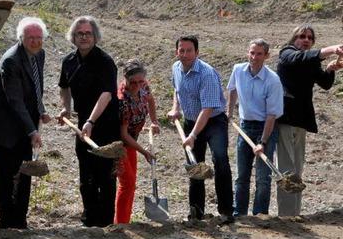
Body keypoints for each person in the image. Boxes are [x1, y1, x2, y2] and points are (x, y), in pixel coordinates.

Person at [58, 15, 119, 227]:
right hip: (83, 125)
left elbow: (107, 94)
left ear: (95, 37)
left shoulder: (105, 62)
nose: (84, 37)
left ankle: (106, 223)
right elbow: (64, 86)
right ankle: (89, 221)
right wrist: (66, 108)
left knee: (105, 175)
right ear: (73, 37)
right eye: (79, 34)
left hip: (105, 125)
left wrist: (91, 121)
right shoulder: (68, 61)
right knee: (86, 176)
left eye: (88, 33)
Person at [276, 24, 343, 216]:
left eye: (310, 38)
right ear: (294, 39)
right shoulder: (287, 53)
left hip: (302, 120)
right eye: (302, 36)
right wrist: (330, 50)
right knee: (287, 168)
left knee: (297, 167)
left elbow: (325, 83)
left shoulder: (310, 60)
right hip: (286, 118)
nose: (306, 40)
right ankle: (287, 215)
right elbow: (300, 58)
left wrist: (330, 69)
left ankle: (294, 213)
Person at [167, 35, 234, 224]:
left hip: (213, 122)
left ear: (197, 52)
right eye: (182, 50)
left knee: (220, 160)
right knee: (195, 166)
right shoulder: (176, 68)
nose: (185, 54)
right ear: (177, 52)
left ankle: (226, 212)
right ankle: (196, 211)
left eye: (189, 50)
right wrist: (175, 108)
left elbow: (208, 108)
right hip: (190, 120)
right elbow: (177, 90)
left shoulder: (207, 73)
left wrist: (193, 135)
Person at [0, 17, 51, 229]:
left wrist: (41, 110)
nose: (35, 41)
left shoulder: (39, 54)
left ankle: (20, 220)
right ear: (21, 38)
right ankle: (6, 222)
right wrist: (32, 130)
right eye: (30, 38)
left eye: (38, 38)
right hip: (5, 125)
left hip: (26, 122)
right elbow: (15, 100)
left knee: (25, 170)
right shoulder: (11, 60)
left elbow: (36, 86)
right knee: (7, 174)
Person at [226, 39, 283, 217]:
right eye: (252, 53)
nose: (254, 57)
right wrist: (229, 113)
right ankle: (239, 213)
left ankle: (260, 214)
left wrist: (263, 142)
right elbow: (232, 89)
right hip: (245, 126)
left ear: (266, 56)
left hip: (266, 127)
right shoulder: (238, 70)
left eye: (259, 54)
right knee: (241, 175)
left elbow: (271, 115)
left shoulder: (272, 81)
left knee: (262, 177)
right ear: (247, 53)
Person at [114, 59, 159, 224]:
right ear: (125, 79)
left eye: (141, 82)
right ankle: (120, 224)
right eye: (133, 83)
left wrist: (154, 121)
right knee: (127, 183)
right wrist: (144, 151)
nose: (137, 86)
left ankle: (124, 220)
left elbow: (150, 99)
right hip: (118, 144)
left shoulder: (143, 86)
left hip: (132, 141)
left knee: (131, 184)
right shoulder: (122, 101)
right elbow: (123, 134)